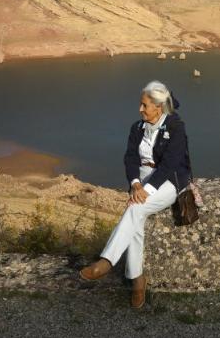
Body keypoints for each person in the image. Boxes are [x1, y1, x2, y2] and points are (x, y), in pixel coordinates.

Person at [79, 80, 191, 309]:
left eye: (144, 105)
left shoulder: (176, 127)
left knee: (135, 208)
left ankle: (107, 262)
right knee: (136, 216)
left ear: (158, 108)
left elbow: (170, 164)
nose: (140, 109)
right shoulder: (137, 127)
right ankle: (138, 282)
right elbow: (130, 158)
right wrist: (136, 183)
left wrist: (146, 190)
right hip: (142, 179)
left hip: (169, 181)